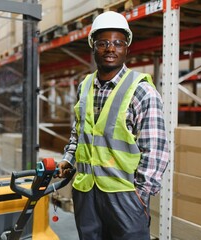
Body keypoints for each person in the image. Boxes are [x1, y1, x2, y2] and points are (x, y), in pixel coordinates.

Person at [56, 11, 169, 240]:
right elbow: (79, 133)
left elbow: (156, 149)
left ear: (126, 47)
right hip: (86, 192)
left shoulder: (142, 91)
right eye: (103, 43)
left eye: (118, 43)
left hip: (124, 196)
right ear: (93, 47)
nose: (110, 48)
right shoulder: (84, 86)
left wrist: (140, 195)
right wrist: (68, 159)